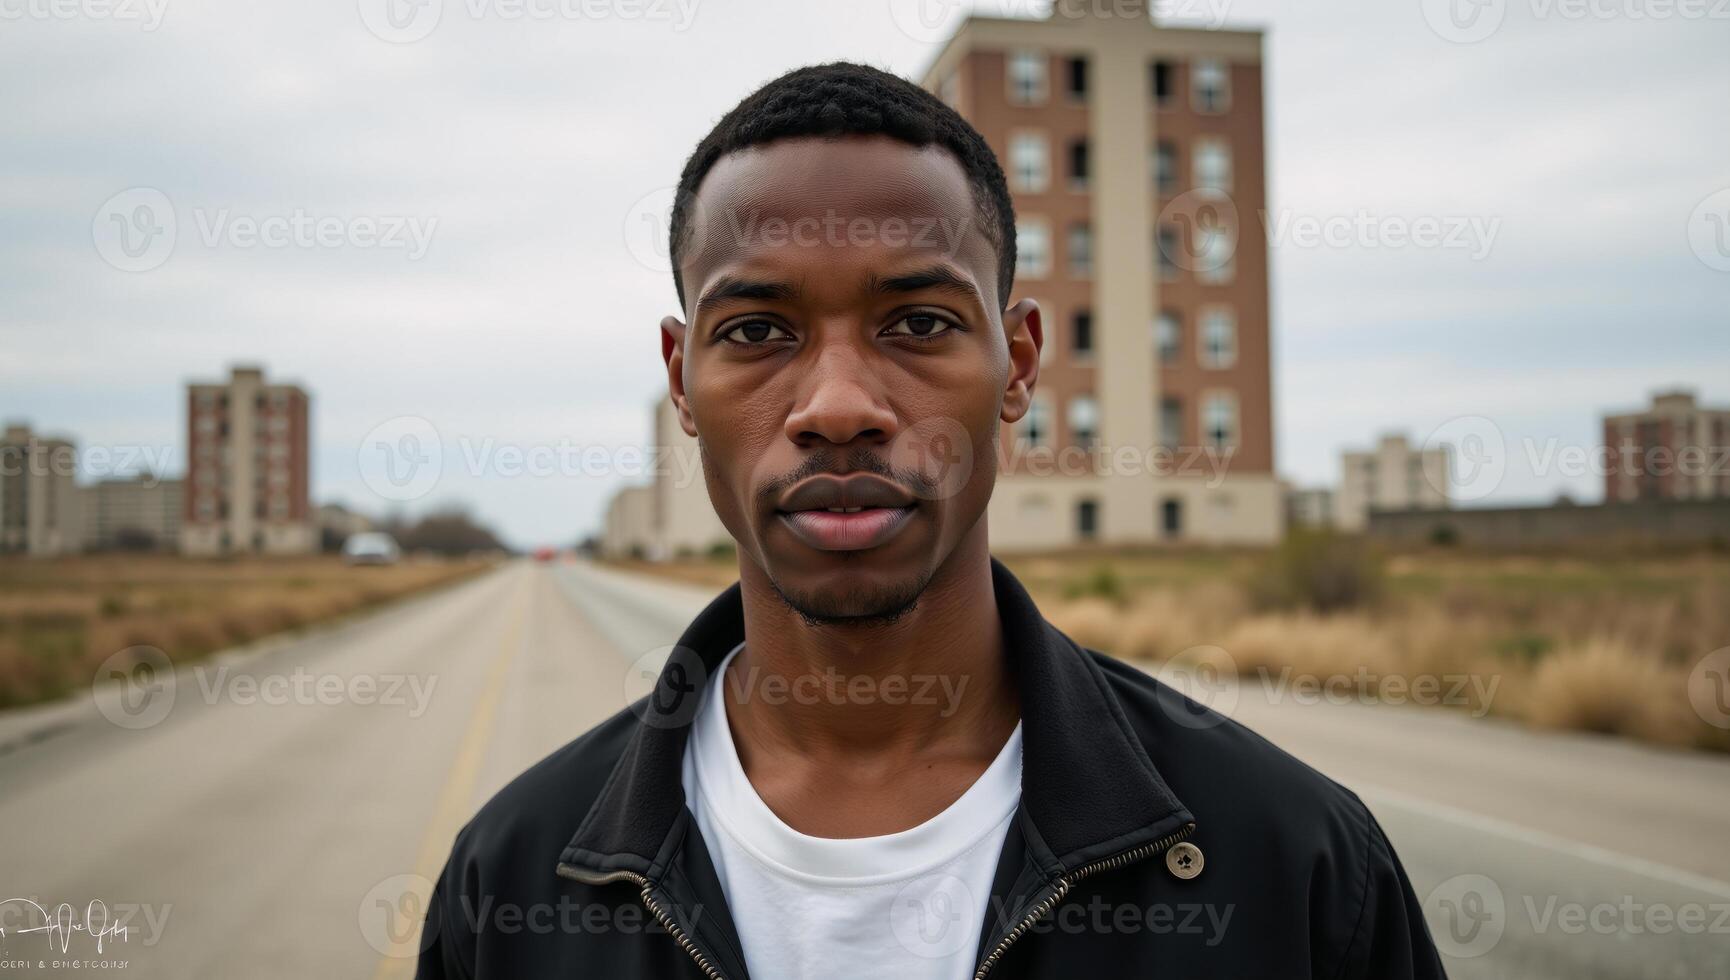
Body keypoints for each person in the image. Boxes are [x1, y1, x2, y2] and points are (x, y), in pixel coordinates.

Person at [417, 61, 1446, 979]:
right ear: (681, 382)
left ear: (1019, 363)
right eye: (758, 330)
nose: (836, 406)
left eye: (916, 322)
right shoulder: (508, 880)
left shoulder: (1293, 862)